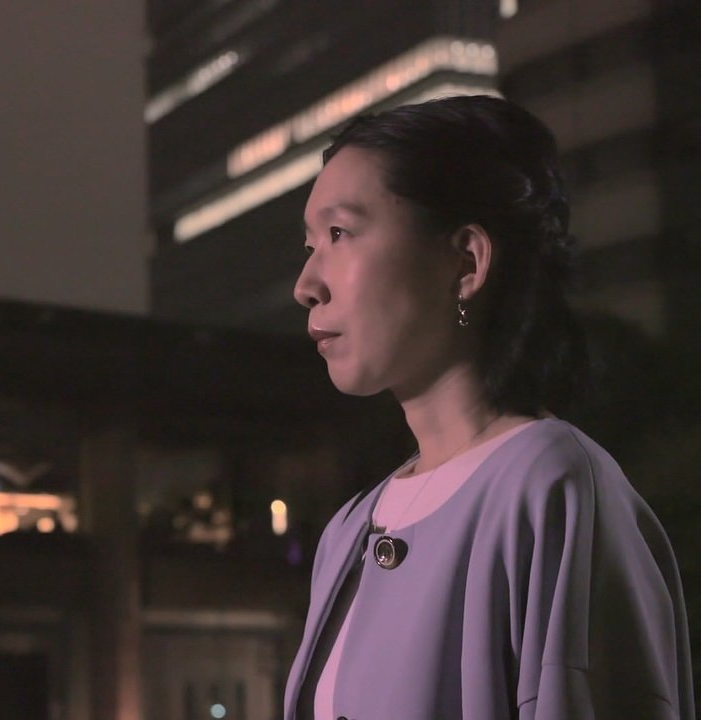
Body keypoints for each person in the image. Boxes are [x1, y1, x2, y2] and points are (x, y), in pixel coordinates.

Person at [283, 95, 694, 719]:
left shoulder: (549, 484)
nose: (306, 285)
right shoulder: (348, 530)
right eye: (310, 244)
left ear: (467, 262)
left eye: (339, 234)